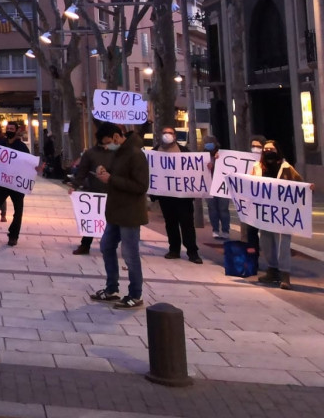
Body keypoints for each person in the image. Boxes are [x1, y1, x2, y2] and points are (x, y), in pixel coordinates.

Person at [90, 123, 148, 310]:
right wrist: (104, 172)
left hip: (130, 212)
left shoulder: (135, 154)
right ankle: (111, 289)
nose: (106, 147)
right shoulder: (119, 153)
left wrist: (111, 179)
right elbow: (116, 175)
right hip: (115, 211)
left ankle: (135, 294)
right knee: (106, 245)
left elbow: (140, 186)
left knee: (130, 254)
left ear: (116, 137)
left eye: (107, 143)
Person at [252, 140, 313, 290]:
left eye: (271, 149)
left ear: (277, 150)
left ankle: (285, 275)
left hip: (282, 215)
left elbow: (300, 184)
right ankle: (272, 270)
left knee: (282, 245)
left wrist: (308, 187)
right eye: (265, 149)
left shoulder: (287, 168)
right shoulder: (257, 167)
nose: (267, 151)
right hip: (265, 213)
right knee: (266, 243)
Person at [155, 126, 201, 264]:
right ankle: (174, 249)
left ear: (175, 136)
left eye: (170, 133)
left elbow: (195, 168)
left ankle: (192, 252)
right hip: (165, 196)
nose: (167, 135)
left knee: (187, 223)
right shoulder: (155, 152)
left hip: (183, 196)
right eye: (165, 133)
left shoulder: (184, 151)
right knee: (171, 223)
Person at [70, 124, 114, 255]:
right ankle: (85, 244)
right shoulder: (91, 153)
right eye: (108, 138)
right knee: (92, 220)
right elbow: (82, 171)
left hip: (113, 191)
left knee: (112, 221)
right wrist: (75, 185)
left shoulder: (117, 152)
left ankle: (110, 245)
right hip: (95, 191)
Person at [203, 137, 231, 240]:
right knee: (212, 209)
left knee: (223, 209)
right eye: (206, 143)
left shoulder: (223, 155)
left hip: (222, 186)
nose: (208, 145)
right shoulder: (203, 156)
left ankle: (225, 230)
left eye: (210, 143)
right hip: (209, 185)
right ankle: (215, 229)